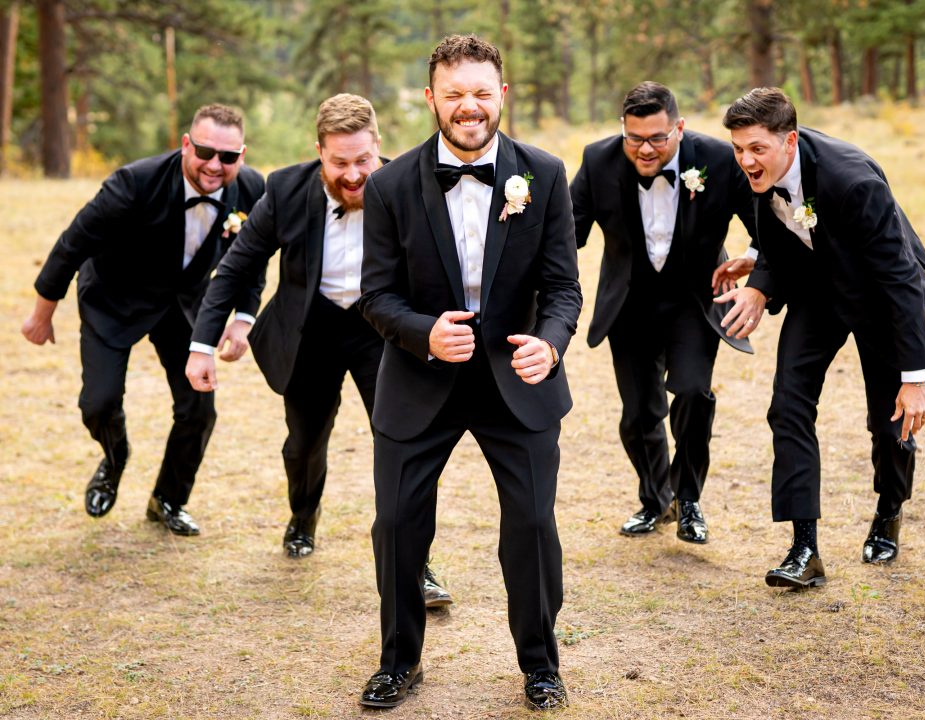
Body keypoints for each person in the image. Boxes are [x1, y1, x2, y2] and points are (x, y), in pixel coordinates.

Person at [356, 35, 582, 710]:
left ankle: (541, 665)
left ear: (502, 95)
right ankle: (400, 661)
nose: (469, 108)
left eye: (481, 93)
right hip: (420, 380)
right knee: (396, 524)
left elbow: (563, 287)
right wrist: (425, 333)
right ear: (431, 99)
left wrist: (550, 342)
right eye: (453, 95)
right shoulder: (389, 185)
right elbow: (376, 295)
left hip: (518, 380)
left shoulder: (543, 173)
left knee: (534, 526)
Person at [185, 94, 451, 606]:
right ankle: (303, 516)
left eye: (363, 161)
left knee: (403, 446)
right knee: (303, 443)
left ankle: (418, 565)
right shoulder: (285, 190)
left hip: (385, 330)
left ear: (379, 146)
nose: (353, 175)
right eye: (339, 163)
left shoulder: (413, 186)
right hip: (311, 330)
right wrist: (201, 344)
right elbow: (238, 267)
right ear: (319, 153)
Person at [714, 87, 925, 588]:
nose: (746, 160)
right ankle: (804, 549)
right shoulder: (755, 172)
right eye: (738, 148)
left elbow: (900, 277)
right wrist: (758, 283)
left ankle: (889, 509)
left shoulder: (852, 180)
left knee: (891, 422)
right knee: (788, 405)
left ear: (790, 140)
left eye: (757, 149)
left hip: (880, 295)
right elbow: (775, 235)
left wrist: (917, 378)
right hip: (817, 293)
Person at [21, 104, 264, 536]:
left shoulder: (250, 189)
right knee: (98, 404)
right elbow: (72, 244)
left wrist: (243, 318)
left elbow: (251, 258)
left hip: (184, 305)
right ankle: (115, 459)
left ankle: (168, 499)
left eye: (227, 157)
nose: (214, 165)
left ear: (241, 156)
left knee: (199, 408)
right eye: (205, 152)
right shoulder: (134, 182)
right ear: (186, 144)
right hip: (113, 299)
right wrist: (43, 313)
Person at [570, 81, 756, 545]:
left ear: (680, 127)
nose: (645, 149)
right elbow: (566, 232)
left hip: (694, 299)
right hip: (629, 303)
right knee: (638, 414)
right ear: (622, 130)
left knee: (693, 392)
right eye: (635, 138)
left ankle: (688, 499)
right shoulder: (599, 160)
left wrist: (753, 261)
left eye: (657, 137)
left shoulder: (716, 158)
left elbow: (762, 222)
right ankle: (655, 500)